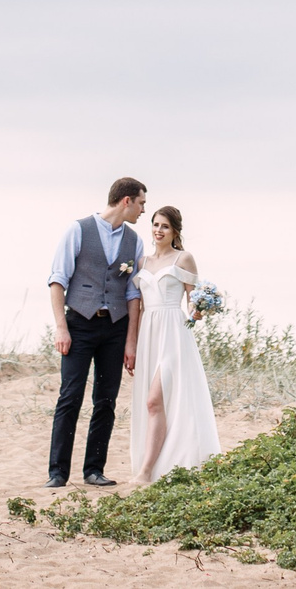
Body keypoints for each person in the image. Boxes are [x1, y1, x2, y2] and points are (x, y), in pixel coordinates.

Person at [44, 177, 146, 487]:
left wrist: (131, 342)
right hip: (79, 324)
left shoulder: (135, 241)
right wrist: (61, 328)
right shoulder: (78, 230)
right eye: (141, 203)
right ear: (126, 200)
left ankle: (93, 470)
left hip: (115, 328)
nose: (143, 210)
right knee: (70, 397)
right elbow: (57, 281)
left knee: (106, 400)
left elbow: (133, 295)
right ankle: (58, 473)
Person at [129, 204, 220, 485]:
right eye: (155, 224)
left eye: (165, 226)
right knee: (154, 405)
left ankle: (145, 471)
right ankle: (155, 465)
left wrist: (203, 307)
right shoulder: (142, 263)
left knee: (154, 400)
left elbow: (193, 306)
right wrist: (131, 343)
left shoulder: (184, 259)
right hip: (149, 335)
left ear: (175, 231)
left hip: (174, 333)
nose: (158, 230)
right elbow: (139, 307)